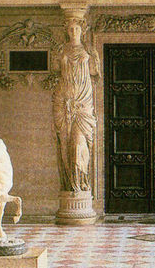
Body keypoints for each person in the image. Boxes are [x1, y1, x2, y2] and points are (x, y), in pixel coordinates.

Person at [52, 16, 98, 191]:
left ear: (82, 31)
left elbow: (94, 72)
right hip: (64, 102)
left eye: (76, 29)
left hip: (83, 103)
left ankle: (81, 183)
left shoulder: (89, 50)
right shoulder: (61, 50)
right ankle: (69, 185)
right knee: (65, 144)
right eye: (70, 29)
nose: (73, 32)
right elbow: (55, 71)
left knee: (79, 143)